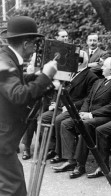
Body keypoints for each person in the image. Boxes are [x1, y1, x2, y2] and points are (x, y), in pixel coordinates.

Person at [0, 16, 57, 196]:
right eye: (34, 43)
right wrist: (46, 77)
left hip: (5, 136)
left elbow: (18, 83)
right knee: (10, 186)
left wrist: (39, 78)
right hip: (2, 137)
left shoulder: (7, 58)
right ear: (26, 43)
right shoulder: (4, 62)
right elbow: (18, 95)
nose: (35, 48)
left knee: (14, 180)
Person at [51, 57, 111, 174]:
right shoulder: (99, 81)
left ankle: (80, 165)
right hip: (88, 114)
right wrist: (83, 112)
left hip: (105, 117)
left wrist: (90, 114)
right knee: (66, 123)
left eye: (104, 66)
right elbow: (88, 99)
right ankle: (70, 160)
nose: (101, 68)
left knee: (85, 125)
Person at [21, 28, 70, 159]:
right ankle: (27, 147)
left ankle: (48, 148)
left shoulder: (70, 52)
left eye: (66, 37)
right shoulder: (45, 52)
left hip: (58, 88)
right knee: (32, 115)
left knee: (45, 116)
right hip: (43, 85)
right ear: (56, 38)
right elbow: (35, 69)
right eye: (62, 37)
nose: (65, 39)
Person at [45, 50, 98, 164]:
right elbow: (58, 87)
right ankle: (52, 148)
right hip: (61, 105)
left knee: (59, 120)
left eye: (74, 59)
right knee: (45, 117)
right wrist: (55, 102)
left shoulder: (91, 76)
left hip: (75, 107)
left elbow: (89, 97)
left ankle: (63, 154)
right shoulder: (70, 73)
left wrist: (71, 105)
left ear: (80, 61)